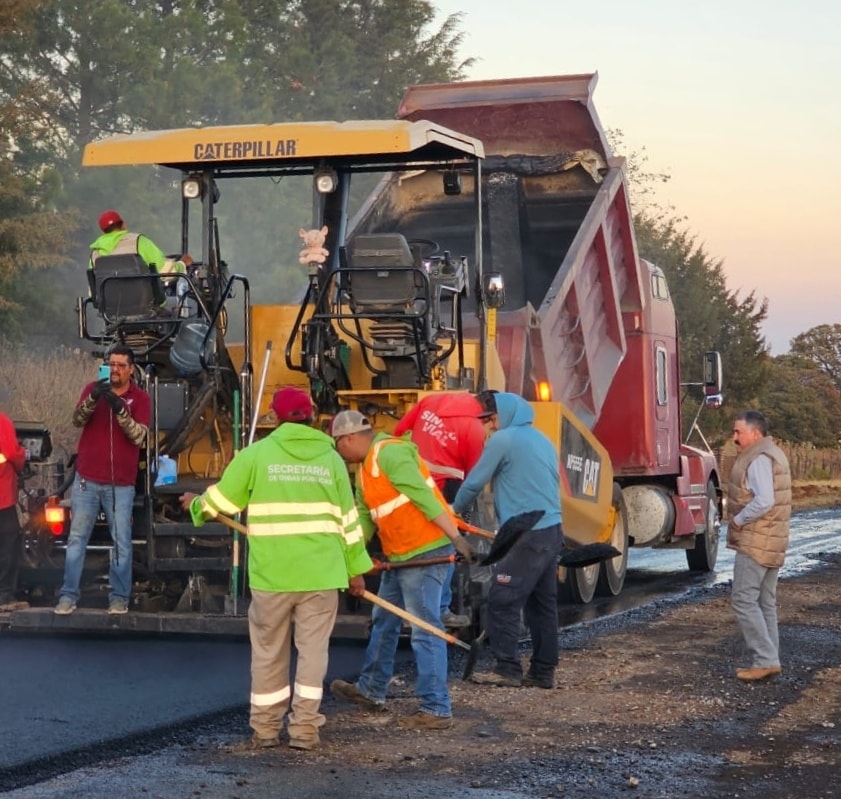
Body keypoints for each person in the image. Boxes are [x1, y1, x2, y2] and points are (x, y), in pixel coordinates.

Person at [179, 387, 372, 751]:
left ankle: (266, 732)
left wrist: (197, 505)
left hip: (274, 575)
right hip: (321, 575)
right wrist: (356, 569)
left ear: (275, 417)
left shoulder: (257, 455)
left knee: (268, 654)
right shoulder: (331, 460)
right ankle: (304, 731)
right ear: (312, 415)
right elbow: (349, 522)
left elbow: (223, 500)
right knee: (313, 654)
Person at [328, 409, 476, 730]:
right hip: (399, 557)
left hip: (426, 552)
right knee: (384, 620)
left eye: (338, 445)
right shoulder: (364, 471)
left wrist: (456, 538)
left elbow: (424, 498)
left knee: (424, 629)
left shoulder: (390, 454)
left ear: (350, 438)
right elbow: (366, 518)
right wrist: (346, 553)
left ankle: (436, 707)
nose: (338, 452)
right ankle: (372, 689)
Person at [451, 392, 563, 689]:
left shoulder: (505, 440)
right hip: (550, 528)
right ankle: (542, 672)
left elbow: (475, 482)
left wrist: (452, 511)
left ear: (507, 414)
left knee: (502, 599)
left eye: (491, 418)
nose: (490, 425)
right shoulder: (542, 439)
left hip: (525, 529)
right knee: (542, 604)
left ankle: (507, 668)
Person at [54, 345, 150, 616]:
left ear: (131, 369)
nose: (116, 369)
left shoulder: (140, 399)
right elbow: (77, 420)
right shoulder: (91, 389)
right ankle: (68, 595)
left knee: (121, 540)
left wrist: (121, 410)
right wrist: (94, 398)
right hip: (86, 479)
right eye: (112, 364)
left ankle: (119, 597)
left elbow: (139, 437)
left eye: (121, 365)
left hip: (120, 483)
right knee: (77, 537)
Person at [392, 392, 487, 627]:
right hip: (446, 489)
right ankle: (440, 609)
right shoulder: (474, 427)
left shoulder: (430, 401)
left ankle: (407, 606)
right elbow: (474, 475)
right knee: (446, 549)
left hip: (413, 480)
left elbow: (399, 432)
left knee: (411, 543)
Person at [727, 409, 791, 682]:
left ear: (755, 433)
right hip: (773, 539)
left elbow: (764, 500)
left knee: (743, 598)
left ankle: (764, 659)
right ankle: (770, 659)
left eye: (738, 432)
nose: (734, 438)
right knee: (765, 601)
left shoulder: (758, 459)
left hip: (757, 539)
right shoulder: (774, 453)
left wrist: (739, 519)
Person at [89, 209, 192, 277]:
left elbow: (92, 289)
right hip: (145, 306)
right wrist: (182, 264)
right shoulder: (138, 242)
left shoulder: (95, 254)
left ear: (103, 231)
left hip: (109, 309)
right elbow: (164, 272)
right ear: (123, 225)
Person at [0, 409, 27, 611]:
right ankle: (4, 595)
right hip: (2, 498)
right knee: (8, 544)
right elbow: (14, 454)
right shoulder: (2, 423)